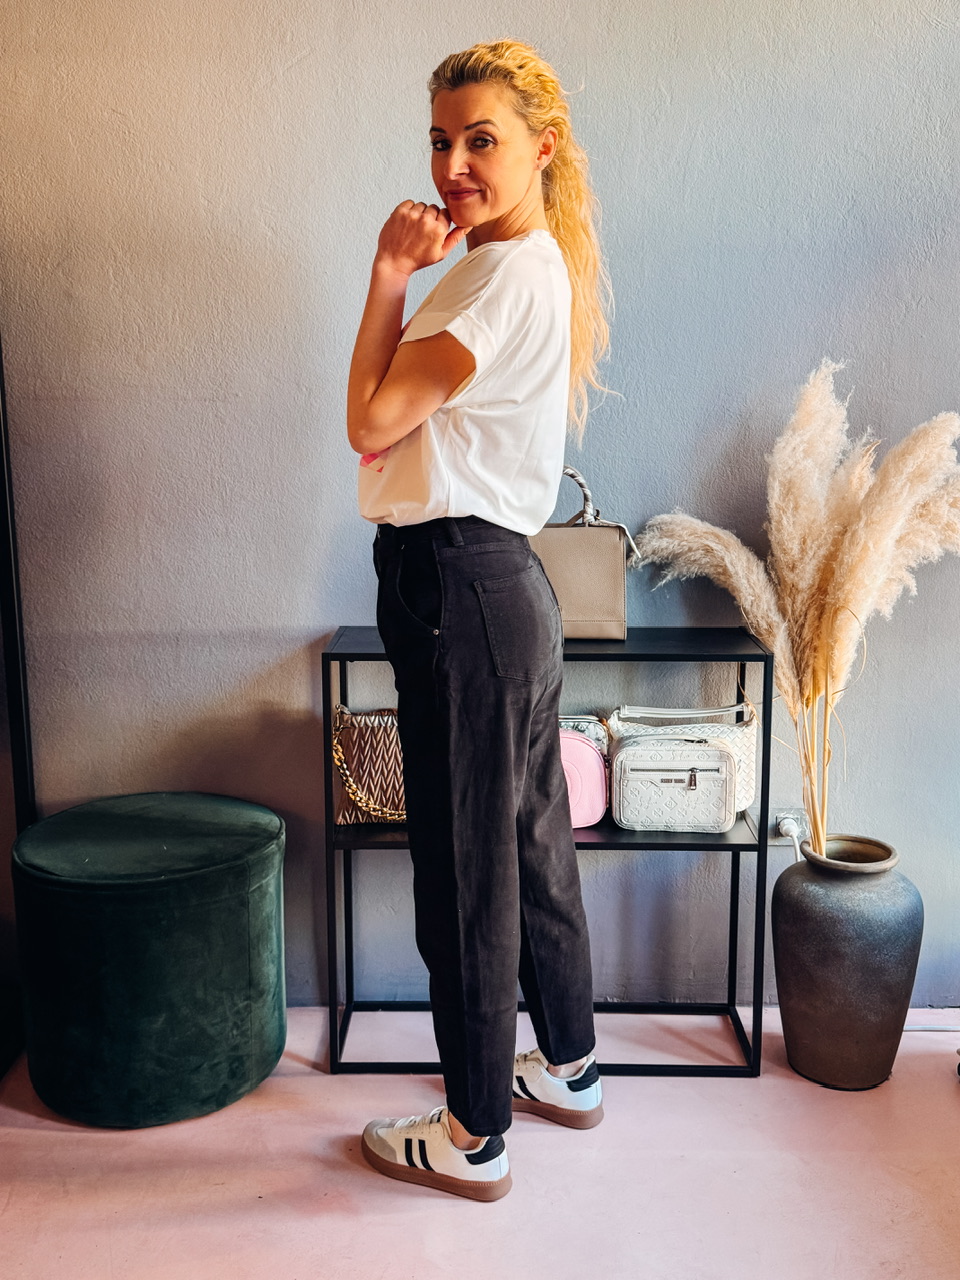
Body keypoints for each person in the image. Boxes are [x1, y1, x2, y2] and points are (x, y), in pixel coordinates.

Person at [346, 39, 610, 1202]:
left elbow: (370, 421)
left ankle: (472, 1131)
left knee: (464, 864)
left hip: (457, 582)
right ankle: (569, 1064)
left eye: (481, 140)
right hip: (502, 585)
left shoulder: (494, 277)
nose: (454, 164)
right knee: (530, 839)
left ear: (542, 148)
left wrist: (387, 274)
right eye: (441, 141)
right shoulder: (521, 264)